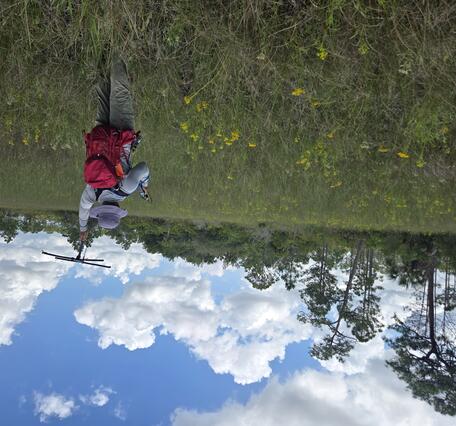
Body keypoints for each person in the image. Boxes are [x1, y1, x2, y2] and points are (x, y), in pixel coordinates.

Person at [79, 56, 150, 241]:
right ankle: (101, 53)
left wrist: (145, 183)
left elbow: (143, 168)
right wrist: (82, 227)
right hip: (100, 135)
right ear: (101, 209)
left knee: (120, 92)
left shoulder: (125, 190)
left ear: (118, 211)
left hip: (121, 132)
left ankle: (116, 46)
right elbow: (83, 208)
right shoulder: (92, 192)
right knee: (102, 93)